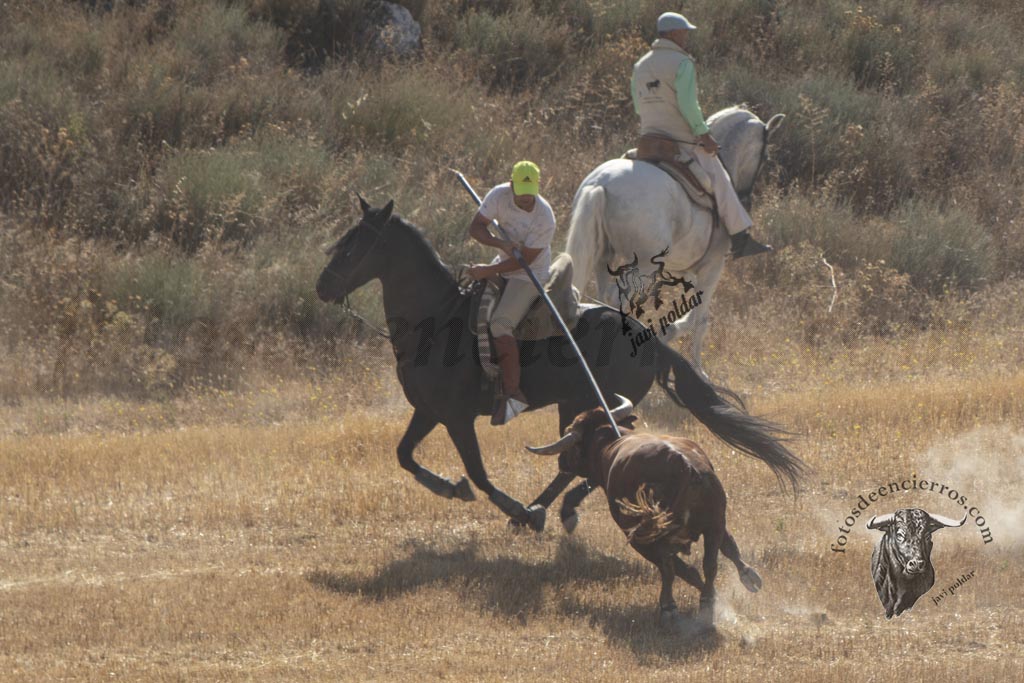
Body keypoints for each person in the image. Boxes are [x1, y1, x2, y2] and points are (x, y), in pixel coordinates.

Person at [631, 12, 772, 259]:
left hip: (648, 140)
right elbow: (688, 106)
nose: (686, 36)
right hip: (680, 140)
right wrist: (703, 135)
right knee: (720, 178)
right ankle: (740, 238)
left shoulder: (640, 65)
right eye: (684, 32)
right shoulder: (682, 63)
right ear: (673, 33)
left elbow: (637, 106)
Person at [466, 160, 557, 424]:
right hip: (503, 263)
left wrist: (488, 271)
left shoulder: (545, 217)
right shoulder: (498, 195)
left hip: (529, 274)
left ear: (538, 187)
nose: (526, 198)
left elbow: (525, 260)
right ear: (511, 184)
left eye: (531, 193)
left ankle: (513, 393)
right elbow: (476, 227)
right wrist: (500, 244)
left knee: (500, 324)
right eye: (521, 192)